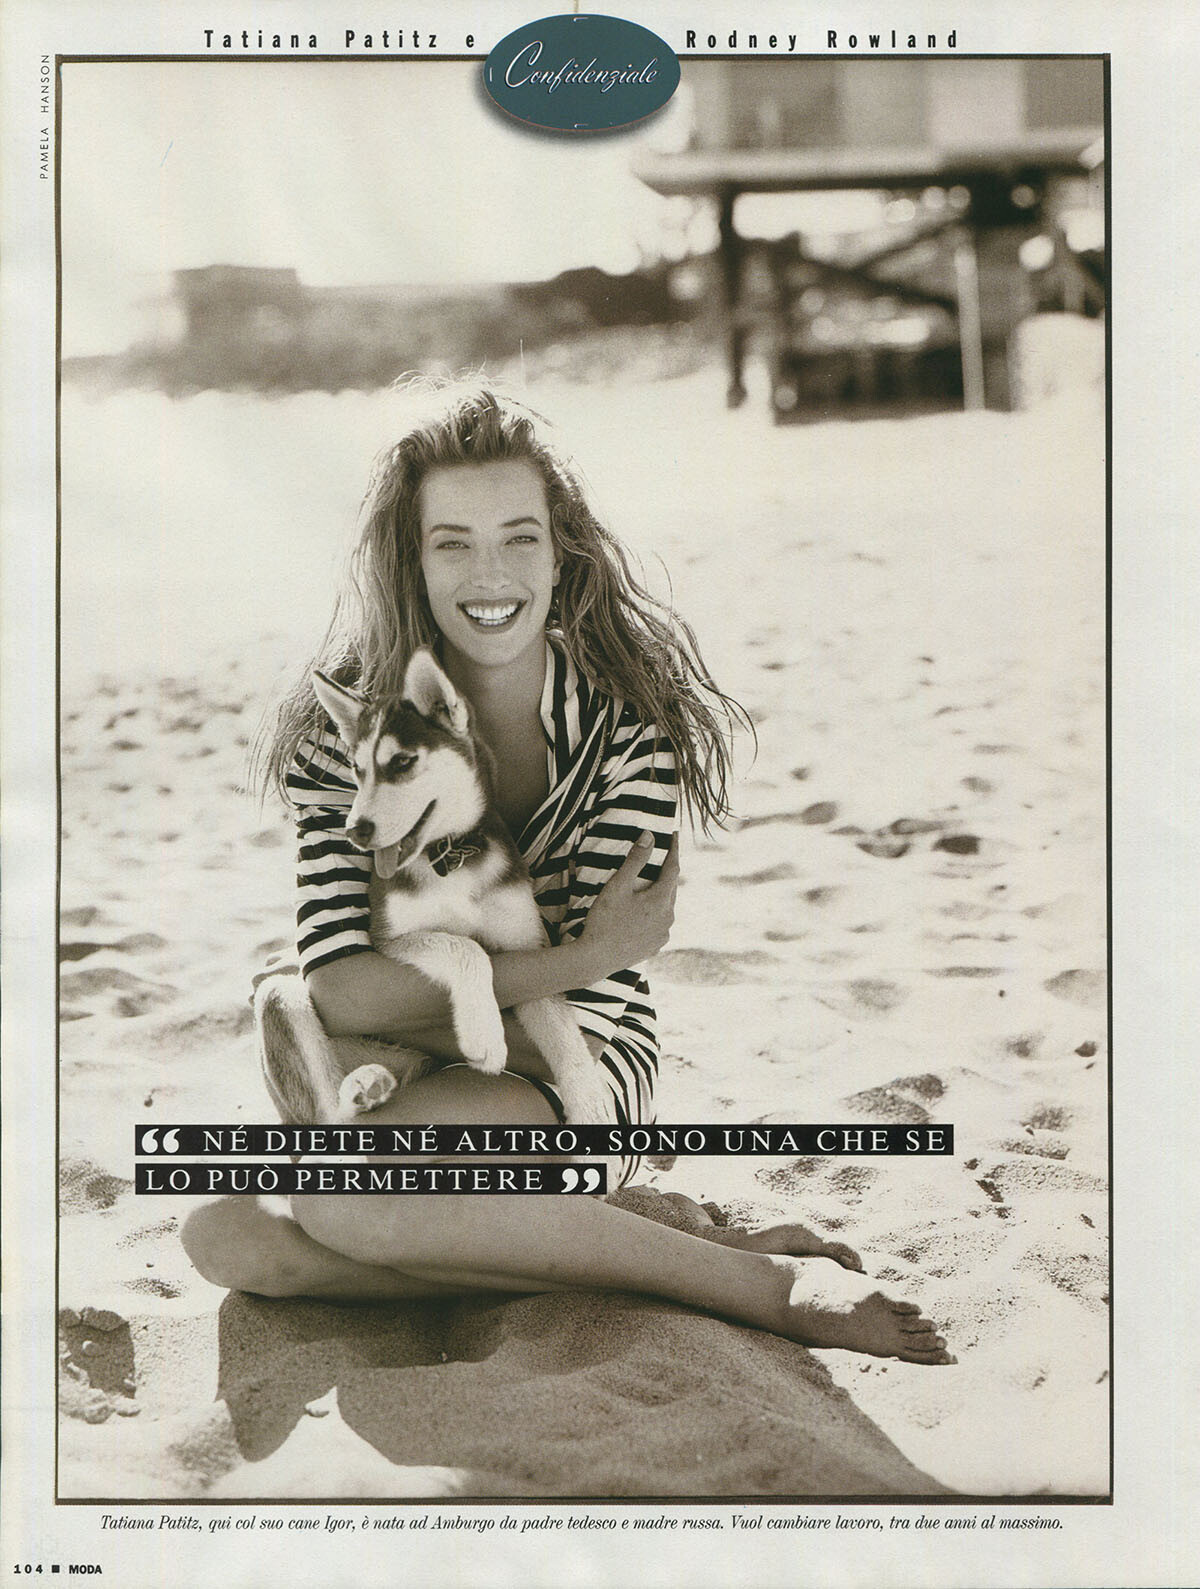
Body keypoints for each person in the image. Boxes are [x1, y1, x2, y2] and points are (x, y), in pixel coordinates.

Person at [182, 381, 950, 1364]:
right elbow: (338, 983)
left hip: (581, 1080)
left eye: (520, 537)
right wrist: (578, 953)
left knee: (343, 1189)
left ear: (561, 553)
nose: (489, 573)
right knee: (221, 1232)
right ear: (413, 561)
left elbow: (576, 1029)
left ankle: (763, 1287)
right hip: (399, 1076)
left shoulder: (629, 731)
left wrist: (406, 1009)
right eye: (452, 542)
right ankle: (656, 1244)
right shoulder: (349, 739)